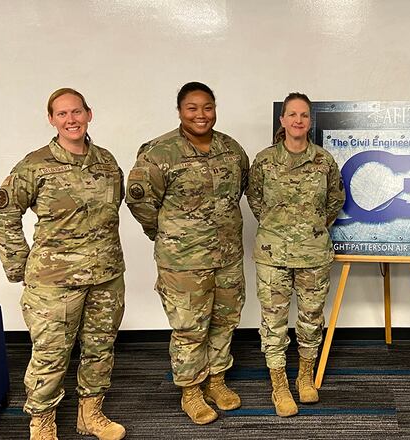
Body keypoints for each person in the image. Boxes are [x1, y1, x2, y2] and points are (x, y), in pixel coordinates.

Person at [0, 88, 126, 440]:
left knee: (100, 348)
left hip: (106, 275)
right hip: (54, 280)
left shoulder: (107, 162)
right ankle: (42, 422)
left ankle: (90, 414)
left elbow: (114, 208)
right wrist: (20, 266)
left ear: (89, 114)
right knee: (51, 354)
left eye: (77, 112)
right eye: (62, 114)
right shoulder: (36, 165)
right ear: (51, 120)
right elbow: (4, 212)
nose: (71, 119)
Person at [126, 82, 249, 425]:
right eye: (192, 108)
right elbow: (139, 201)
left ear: (215, 109)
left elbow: (240, 189)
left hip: (227, 256)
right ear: (180, 111)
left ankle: (216, 380)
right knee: (189, 328)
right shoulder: (159, 153)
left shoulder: (231, 149)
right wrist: (166, 234)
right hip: (183, 261)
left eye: (207, 107)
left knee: (225, 321)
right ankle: (191, 391)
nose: (201, 115)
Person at [246, 92, 345, 417]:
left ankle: (305, 376)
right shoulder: (264, 160)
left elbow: (335, 200)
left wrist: (310, 228)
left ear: (309, 121)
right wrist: (279, 227)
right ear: (282, 120)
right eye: (292, 114)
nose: (298, 120)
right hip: (272, 254)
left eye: (304, 115)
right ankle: (279, 384)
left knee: (311, 318)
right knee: (273, 323)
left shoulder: (324, 161)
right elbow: (255, 199)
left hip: (313, 254)